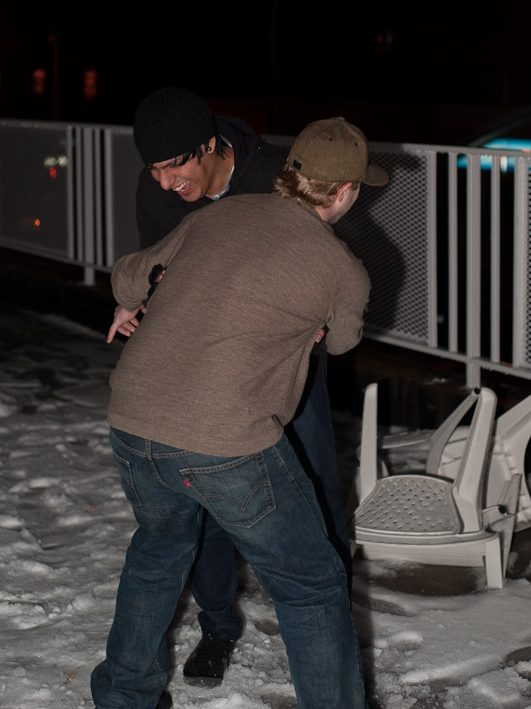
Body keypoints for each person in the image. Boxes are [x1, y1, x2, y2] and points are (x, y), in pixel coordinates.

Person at [90, 116, 378, 709]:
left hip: (134, 420)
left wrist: (130, 301)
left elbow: (129, 274)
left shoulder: (217, 215)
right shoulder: (342, 267)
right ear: (347, 191)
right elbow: (342, 342)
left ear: (291, 171)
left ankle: (123, 699)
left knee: (158, 553)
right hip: (222, 437)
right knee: (312, 585)